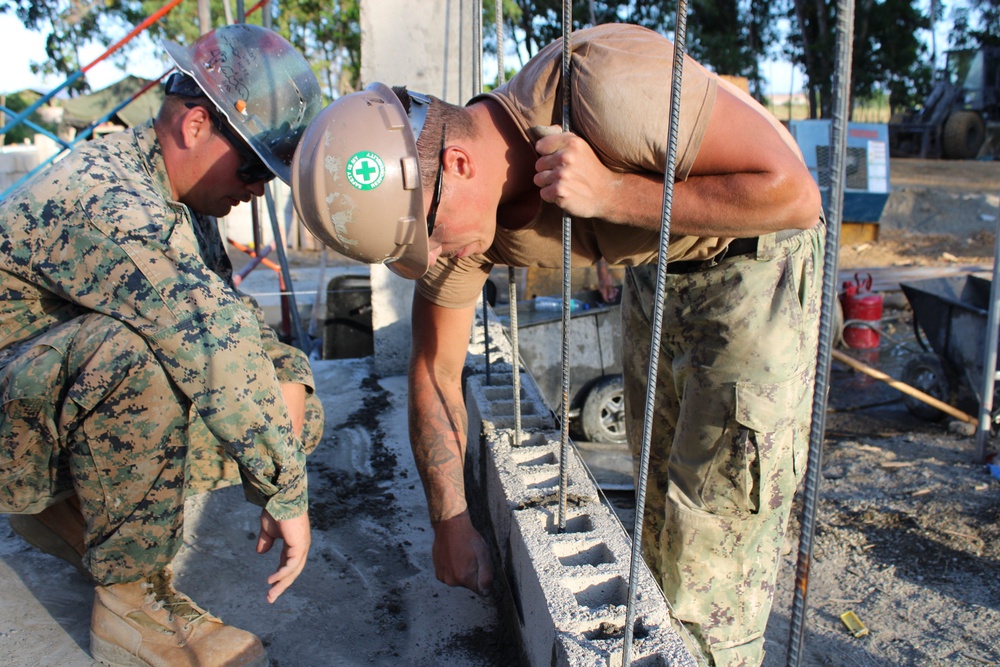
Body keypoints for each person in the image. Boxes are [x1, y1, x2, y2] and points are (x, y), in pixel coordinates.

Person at [292, 22, 823, 667]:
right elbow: (434, 369)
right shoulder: (464, 223)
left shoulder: (607, 89)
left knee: (711, 541)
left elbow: (794, 194)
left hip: (754, 261)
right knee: (658, 515)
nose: (433, 260)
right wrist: (450, 521)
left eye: (425, 240)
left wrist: (612, 193)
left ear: (458, 166)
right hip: (659, 269)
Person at [0, 23, 324, 667]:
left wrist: (288, 380)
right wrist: (286, 492)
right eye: (255, 165)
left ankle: (73, 515)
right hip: (12, 419)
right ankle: (132, 608)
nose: (258, 188)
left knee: (284, 404)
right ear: (197, 126)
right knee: (142, 355)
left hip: (41, 399)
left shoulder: (178, 202)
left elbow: (239, 325)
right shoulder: (109, 199)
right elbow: (207, 336)